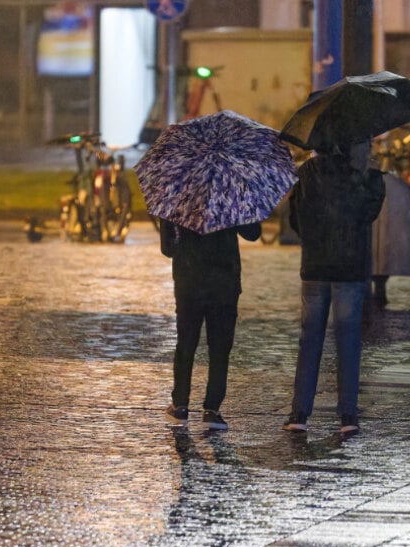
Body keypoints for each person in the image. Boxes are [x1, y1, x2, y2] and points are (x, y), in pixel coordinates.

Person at [282, 140, 386, 436]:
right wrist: (375, 175)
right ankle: (347, 416)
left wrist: (315, 238)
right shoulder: (358, 174)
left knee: (310, 340)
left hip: (314, 266)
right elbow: (369, 213)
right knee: (348, 341)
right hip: (349, 268)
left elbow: (295, 219)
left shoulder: (306, 174)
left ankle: (299, 414)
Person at [160, 218, 261, 430]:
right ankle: (212, 410)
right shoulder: (231, 194)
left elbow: (168, 248)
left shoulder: (178, 195)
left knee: (186, 343)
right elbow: (253, 233)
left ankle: (180, 405)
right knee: (220, 348)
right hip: (224, 281)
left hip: (189, 280)